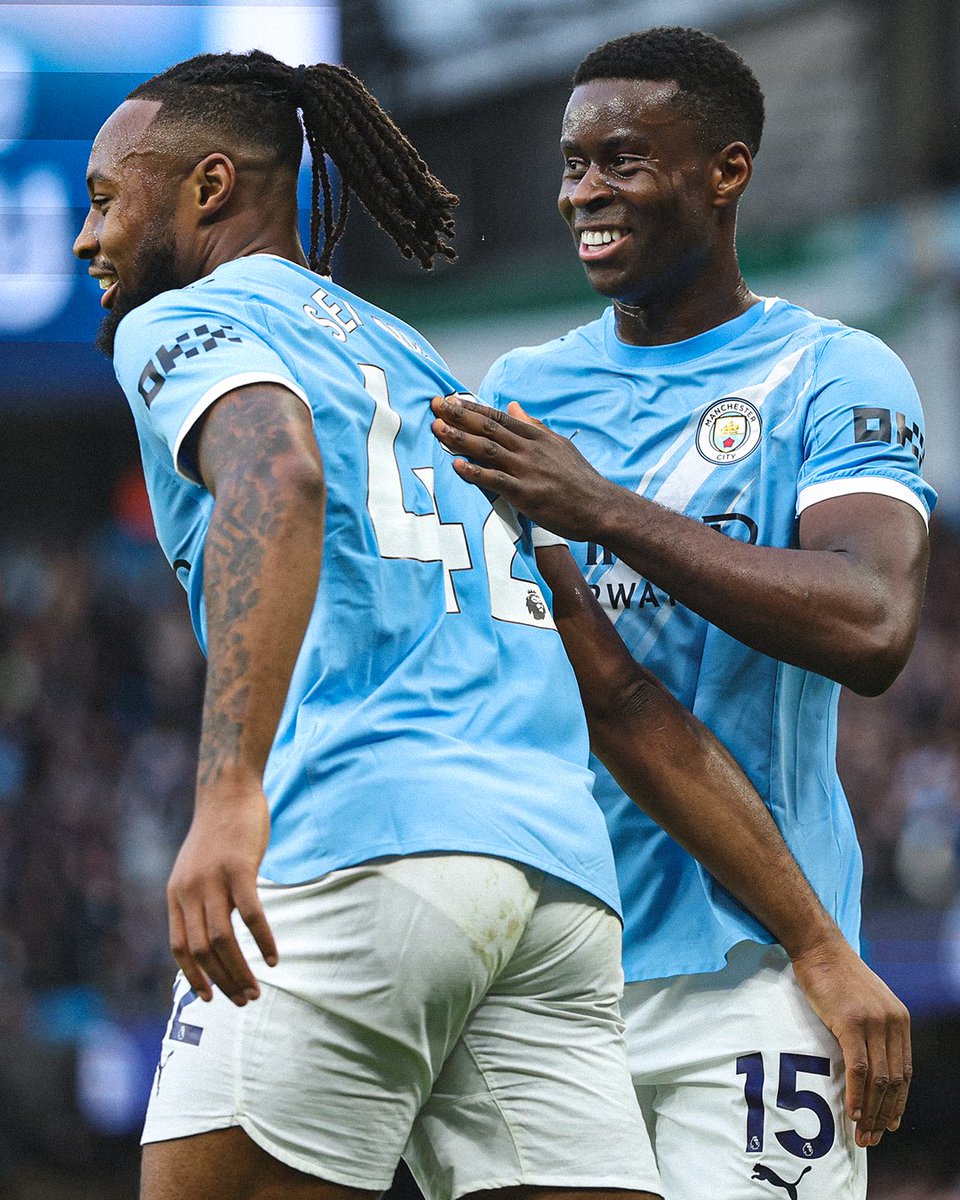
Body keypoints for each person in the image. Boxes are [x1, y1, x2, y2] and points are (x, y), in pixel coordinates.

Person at [73, 48, 909, 1200]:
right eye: (573, 164)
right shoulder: (427, 362)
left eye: (105, 200)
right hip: (557, 889)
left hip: (376, 839)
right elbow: (605, 682)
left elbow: (280, 473)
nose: (87, 239)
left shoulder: (182, 323)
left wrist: (227, 792)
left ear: (208, 188)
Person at [431, 25, 933, 1200]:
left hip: (759, 971)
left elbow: (869, 625)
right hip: (549, 972)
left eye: (621, 160)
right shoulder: (521, 399)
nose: (584, 195)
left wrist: (601, 509)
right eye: (571, 165)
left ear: (728, 170)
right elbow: (590, 690)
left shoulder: (832, 374)